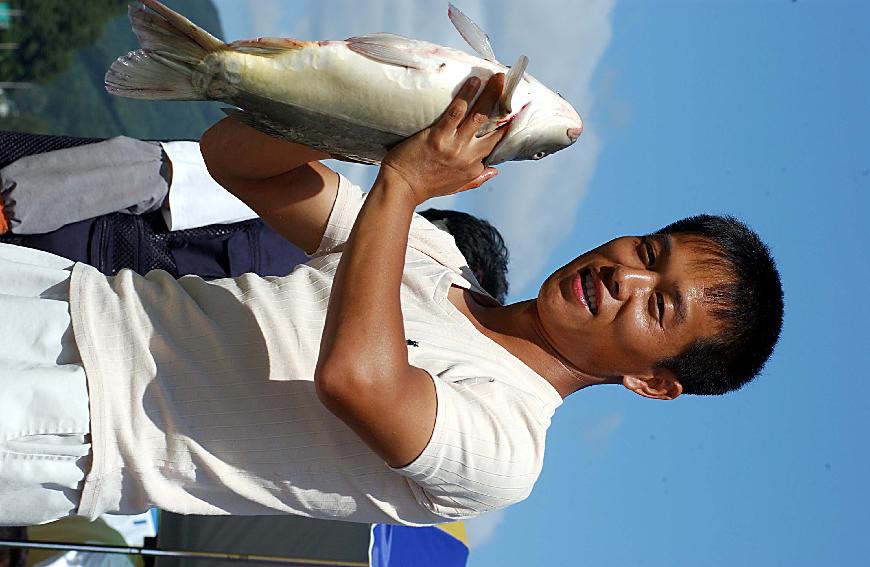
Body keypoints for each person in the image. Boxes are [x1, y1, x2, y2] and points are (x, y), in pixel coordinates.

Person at [0, 74, 784, 528]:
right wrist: (375, 118)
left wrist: (404, 184)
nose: (626, 278)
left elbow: (359, 378)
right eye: (649, 253)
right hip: (62, 292)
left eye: (660, 306)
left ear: (653, 380)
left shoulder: (509, 448)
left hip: (74, 419)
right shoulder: (432, 250)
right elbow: (234, 161)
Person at [0, 132, 510, 302]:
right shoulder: (308, 189)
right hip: (53, 232)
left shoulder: (336, 321)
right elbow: (154, 171)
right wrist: (15, 207)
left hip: (61, 311)